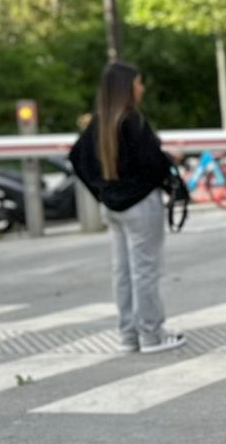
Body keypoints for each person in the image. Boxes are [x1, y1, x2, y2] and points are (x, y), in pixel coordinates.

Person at [68, 62, 185, 355]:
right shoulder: (133, 122)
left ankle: (129, 335)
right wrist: (171, 159)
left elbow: (76, 157)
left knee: (122, 271)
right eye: (138, 83)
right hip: (141, 205)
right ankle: (152, 335)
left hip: (115, 208)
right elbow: (153, 165)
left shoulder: (100, 123)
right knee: (145, 271)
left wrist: (103, 193)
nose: (141, 88)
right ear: (127, 88)